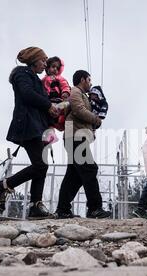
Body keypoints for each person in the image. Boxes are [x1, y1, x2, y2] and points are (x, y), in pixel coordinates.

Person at [0, 46, 58, 219]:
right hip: (28, 125)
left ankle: (35, 205)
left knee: (41, 166)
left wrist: (52, 108)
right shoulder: (22, 74)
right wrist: (48, 105)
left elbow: (39, 100)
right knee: (40, 165)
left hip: (37, 126)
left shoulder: (34, 78)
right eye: (43, 60)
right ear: (34, 60)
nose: (45, 64)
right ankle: (4, 185)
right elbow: (27, 94)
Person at [55, 70, 111, 219]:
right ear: (82, 79)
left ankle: (63, 209)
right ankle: (94, 208)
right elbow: (78, 110)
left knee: (74, 175)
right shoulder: (75, 92)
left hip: (75, 136)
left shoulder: (82, 95)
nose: (90, 83)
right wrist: (96, 119)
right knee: (90, 169)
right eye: (89, 80)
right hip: (74, 136)